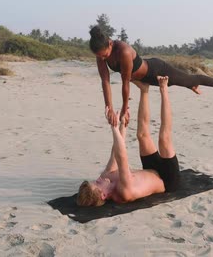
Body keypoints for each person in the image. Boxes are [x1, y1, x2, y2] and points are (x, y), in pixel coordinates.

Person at [89, 25, 213, 126]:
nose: (103, 59)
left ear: (109, 44)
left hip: (156, 70)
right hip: (140, 79)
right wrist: (108, 107)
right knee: (182, 82)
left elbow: (125, 82)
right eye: (100, 57)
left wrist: (123, 109)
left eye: (105, 55)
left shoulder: (124, 51)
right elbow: (105, 81)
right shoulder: (100, 53)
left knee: (190, 79)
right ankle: (189, 84)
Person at [77, 76, 181, 206]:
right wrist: (113, 127)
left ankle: (144, 90)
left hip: (151, 168)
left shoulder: (106, 176)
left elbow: (115, 153)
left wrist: (122, 124)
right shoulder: (124, 192)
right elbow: (122, 158)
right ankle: (164, 88)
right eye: (97, 183)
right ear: (103, 195)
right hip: (167, 179)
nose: (99, 178)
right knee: (164, 139)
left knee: (142, 135)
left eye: (95, 180)